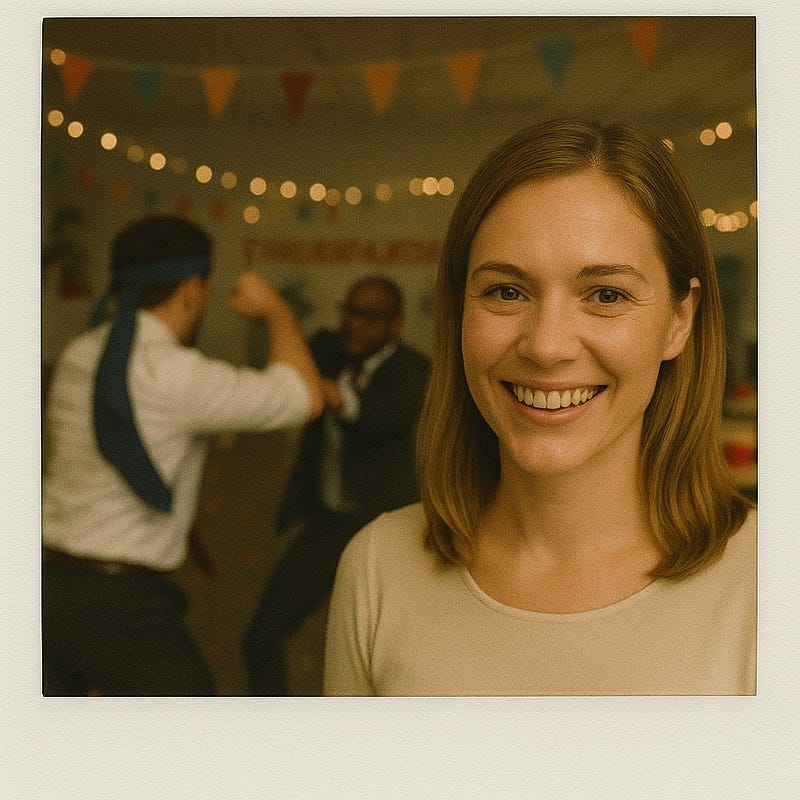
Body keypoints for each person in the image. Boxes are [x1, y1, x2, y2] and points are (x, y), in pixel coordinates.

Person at [324, 119, 756, 696]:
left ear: (679, 319)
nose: (547, 346)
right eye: (506, 291)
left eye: (607, 294)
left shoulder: (770, 587)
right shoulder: (377, 570)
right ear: (460, 313)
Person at [42, 214, 323, 696]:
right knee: (192, 742)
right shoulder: (178, 376)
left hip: (44, 585)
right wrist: (277, 312)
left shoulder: (79, 353)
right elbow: (304, 396)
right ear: (193, 288)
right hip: (121, 603)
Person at [243, 275, 431, 695]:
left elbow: (383, 420)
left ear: (395, 324)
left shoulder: (413, 370)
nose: (353, 324)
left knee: (394, 653)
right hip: (328, 524)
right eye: (349, 311)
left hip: (386, 528)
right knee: (263, 633)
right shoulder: (326, 348)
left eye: (369, 316)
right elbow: (285, 368)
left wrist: (334, 395)